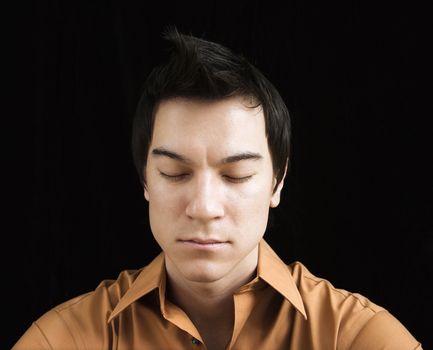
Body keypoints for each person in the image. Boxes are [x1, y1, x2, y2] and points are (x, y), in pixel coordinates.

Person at [14, 29, 422, 350]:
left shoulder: (353, 337)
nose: (204, 207)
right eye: (174, 172)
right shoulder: (70, 338)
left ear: (277, 182)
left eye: (237, 175)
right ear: (144, 181)